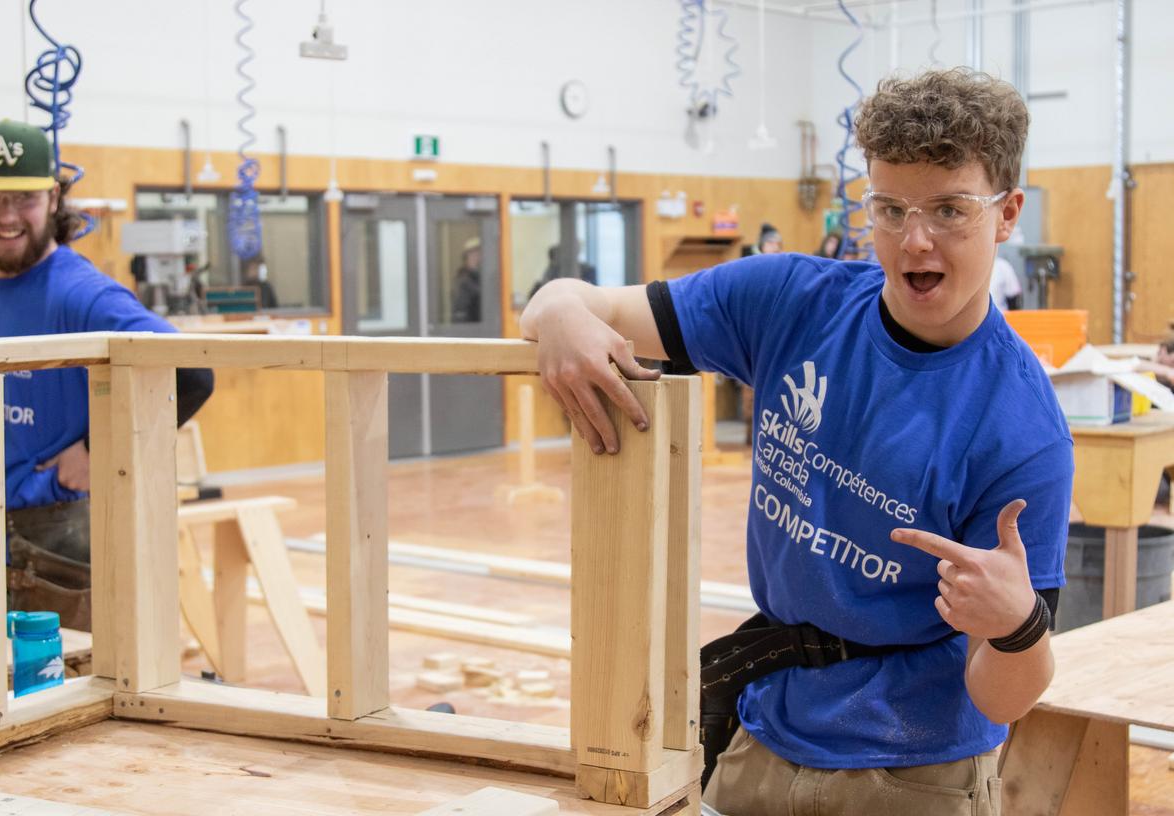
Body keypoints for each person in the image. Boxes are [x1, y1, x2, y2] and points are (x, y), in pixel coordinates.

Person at [521, 69, 1070, 815]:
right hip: (761, 736)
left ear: (1007, 215)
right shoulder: (788, 303)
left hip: (914, 774)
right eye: (890, 208)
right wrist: (556, 306)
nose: (915, 240)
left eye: (950, 210)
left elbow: (1003, 696)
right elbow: (595, 305)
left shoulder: (1022, 429)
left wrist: (1016, 625)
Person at [0, 119, 214, 631]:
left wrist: (99, 448)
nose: (6, 217)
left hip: (59, 540)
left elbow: (192, 373)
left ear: (53, 198)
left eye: (23, 198)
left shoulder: (84, 295)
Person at [451, 236, 482, 323]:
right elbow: (460, 312)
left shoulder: (480, 276)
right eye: (473, 254)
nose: (476, 257)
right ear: (466, 256)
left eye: (478, 253)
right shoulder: (463, 279)